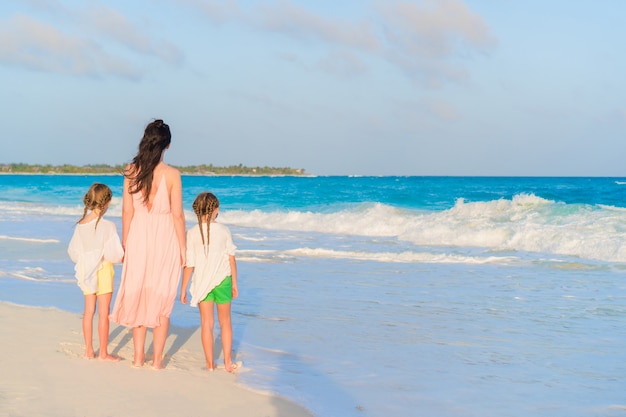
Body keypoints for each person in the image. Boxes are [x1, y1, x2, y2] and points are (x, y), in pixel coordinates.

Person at [109, 119, 186, 369]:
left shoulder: (132, 171)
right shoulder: (173, 174)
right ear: (168, 145)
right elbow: (177, 215)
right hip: (165, 240)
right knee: (162, 296)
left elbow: (127, 212)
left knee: (139, 294)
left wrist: (125, 242)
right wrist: (184, 249)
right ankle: (156, 361)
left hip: (138, 238)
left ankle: (138, 357)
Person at [180, 192, 238, 372]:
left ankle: (210, 364)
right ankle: (228, 363)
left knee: (207, 323)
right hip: (223, 281)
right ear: (216, 210)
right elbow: (231, 258)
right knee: (225, 322)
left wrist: (183, 289)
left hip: (202, 283)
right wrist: (235, 283)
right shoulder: (223, 230)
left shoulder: (191, 232)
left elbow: (189, 264)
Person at [68, 182, 124, 361]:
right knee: (103, 313)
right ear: (107, 202)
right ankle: (104, 353)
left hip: (86, 271)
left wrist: (87, 260)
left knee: (88, 311)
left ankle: (89, 351)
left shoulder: (81, 224)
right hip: (104, 270)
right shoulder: (108, 226)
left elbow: (73, 252)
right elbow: (114, 255)